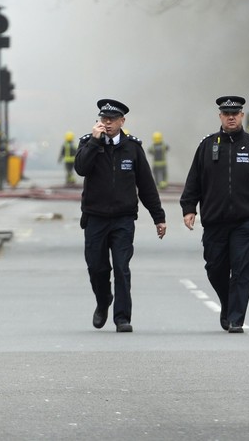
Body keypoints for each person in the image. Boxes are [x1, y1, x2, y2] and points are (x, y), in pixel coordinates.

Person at [181, 95, 249, 333]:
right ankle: (228, 303)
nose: (231, 117)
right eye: (226, 114)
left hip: (248, 221)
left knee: (242, 268)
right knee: (215, 268)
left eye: (235, 114)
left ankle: (236, 319)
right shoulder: (207, 146)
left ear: (242, 116)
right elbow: (194, 181)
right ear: (220, 117)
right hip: (215, 220)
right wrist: (189, 208)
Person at [74, 99, 167, 333]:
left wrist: (159, 217)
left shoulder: (132, 148)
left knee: (122, 267)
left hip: (123, 219)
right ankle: (103, 300)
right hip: (95, 218)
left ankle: (122, 317)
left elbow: (146, 185)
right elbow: (81, 169)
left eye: (112, 119)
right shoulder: (88, 144)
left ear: (122, 121)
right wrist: (95, 143)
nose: (107, 123)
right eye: (103, 119)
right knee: (97, 267)